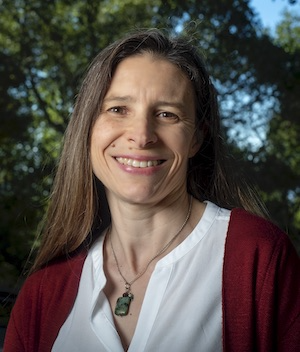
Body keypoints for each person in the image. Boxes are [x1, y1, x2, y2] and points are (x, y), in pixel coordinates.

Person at [4, 29, 300, 352]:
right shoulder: (41, 295)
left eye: (166, 114)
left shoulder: (259, 256)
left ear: (197, 138)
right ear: (88, 127)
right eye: (118, 109)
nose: (142, 136)